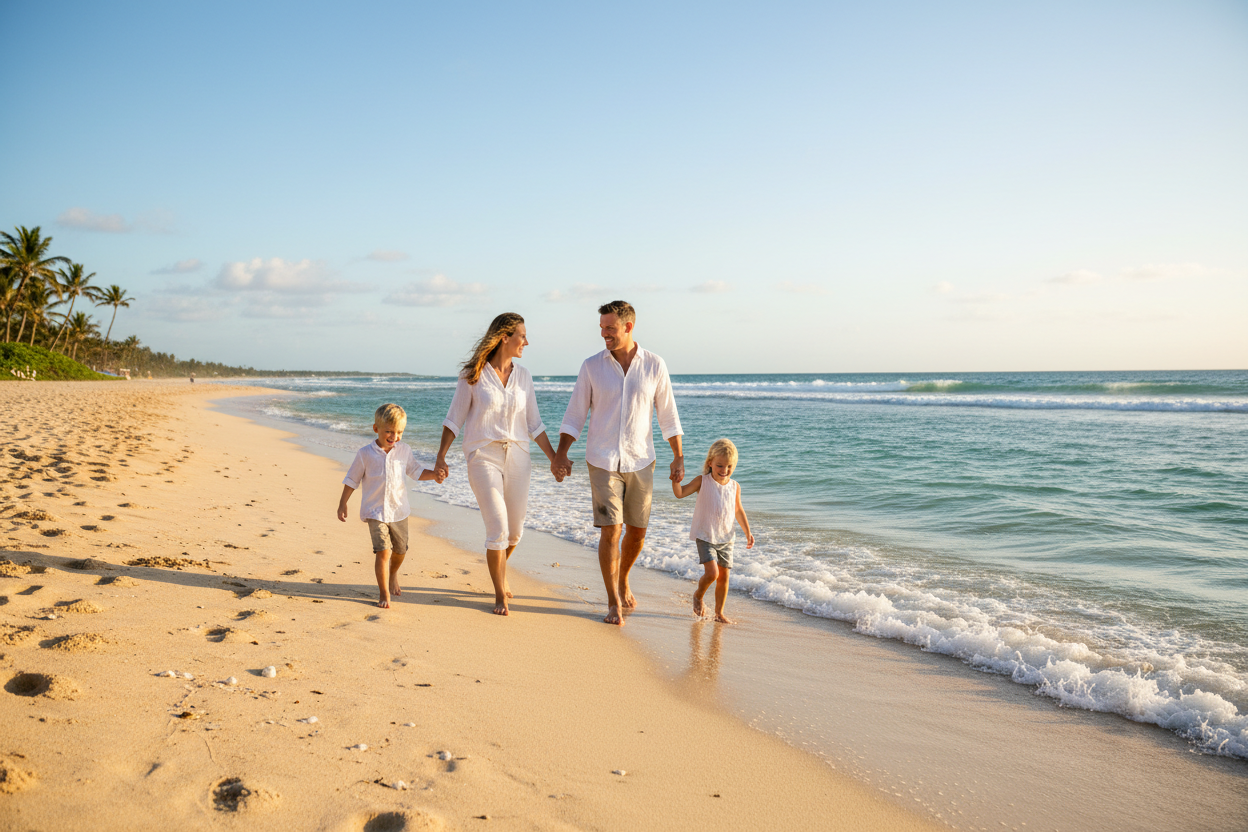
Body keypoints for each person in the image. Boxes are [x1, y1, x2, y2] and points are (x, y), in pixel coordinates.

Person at [553, 300, 683, 625]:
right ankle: (613, 601)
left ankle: (623, 577)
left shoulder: (654, 365)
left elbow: (668, 415)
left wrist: (678, 456)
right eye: (601, 328)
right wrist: (561, 452)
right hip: (602, 460)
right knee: (611, 531)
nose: (604, 334)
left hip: (642, 460)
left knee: (637, 533)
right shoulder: (591, 366)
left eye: (609, 328)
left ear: (628, 327)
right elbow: (575, 413)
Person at [435, 313, 558, 616]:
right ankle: (499, 593)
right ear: (505, 337)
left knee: (514, 533)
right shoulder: (472, 374)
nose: (526, 342)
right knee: (498, 527)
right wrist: (441, 456)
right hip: (482, 456)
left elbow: (535, 424)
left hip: (518, 456)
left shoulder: (524, 376)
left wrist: (555, 458)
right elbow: (454, 419)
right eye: (522, 336)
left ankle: (499, 571)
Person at [337, 403, 443, 608]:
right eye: (389, 431)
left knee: (400, 550)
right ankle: (384, 593)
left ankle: (393, 573)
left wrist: (435, 476)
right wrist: (343, 503)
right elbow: (352, 479)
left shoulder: (404, 451)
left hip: (399, 510)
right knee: (383, 551)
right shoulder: (365, 454)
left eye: (400, 432)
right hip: (375, 511)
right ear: (376, 429)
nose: (395, 436)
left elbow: (416, 471)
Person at [672, 438, 754, 624]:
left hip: (727, 537)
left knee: (724, 576)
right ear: (710, 462)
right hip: (706, 535)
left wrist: (747, 532)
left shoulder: (735, 486)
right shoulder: (703, 481)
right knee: (712, 574)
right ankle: (698, 595)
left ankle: (719, 613)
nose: (724, 470)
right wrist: (676, 481)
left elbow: (738, 510)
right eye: (720, 465)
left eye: (729, 466)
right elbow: (680, 493)